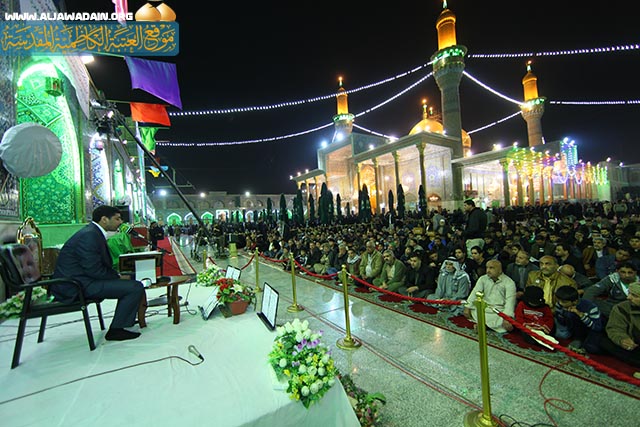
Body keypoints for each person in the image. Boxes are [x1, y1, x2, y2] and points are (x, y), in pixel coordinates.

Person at [51, 205, 145, 341]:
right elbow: (93, 269)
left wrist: (118, 275)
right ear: (104, 219)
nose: (120, 222)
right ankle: (116, 330)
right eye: (117, 219)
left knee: (132, 278)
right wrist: (117, 276)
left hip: (83, 280)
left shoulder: (93, 232)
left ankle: (125, 318)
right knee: (134, 287)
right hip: (77, 285)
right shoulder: (89, 235)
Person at [464, 259, 517, 334]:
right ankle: (485, 325)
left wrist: (507, 317)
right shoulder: (483, 279)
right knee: (472, 310)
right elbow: (475, 293)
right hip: (484, 309)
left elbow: (510, 301)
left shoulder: (509, 283)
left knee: (505, 321)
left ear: (500, 270)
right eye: (487, 268)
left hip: (498, 312)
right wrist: (467, 307)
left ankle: (483, 325)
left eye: (491, 268)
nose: (488, 270)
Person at [599, 282, 640, 369]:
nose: (628, 297)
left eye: (634, 296)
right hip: (634, 345)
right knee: (603, 342)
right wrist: (622, 339)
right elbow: (615, 329)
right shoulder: (621, 308)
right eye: (629, 293)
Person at [554, 285, 604, 354]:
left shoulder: (591, 308)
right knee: (561, 335)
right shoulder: (560, 304)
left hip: (587, 329)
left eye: (564, 302)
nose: (560, 303)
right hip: (569, 325)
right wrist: (563, 314)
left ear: (574, 301)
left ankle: (579, 339)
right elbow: (560, 319)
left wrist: (581, 315)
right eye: (559, 300)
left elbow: (597, 327)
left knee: (591, 348)